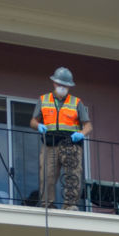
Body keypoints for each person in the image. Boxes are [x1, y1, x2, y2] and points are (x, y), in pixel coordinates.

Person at [29, 67, 91, 209]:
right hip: (50, 143)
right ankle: (47, 204)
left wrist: (80, 134)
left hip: (70, 143)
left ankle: (70, 205)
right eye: (60, 84)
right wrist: (38, 126)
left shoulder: (76, 102)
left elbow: (88, 125)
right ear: (54, 84)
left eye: (65, 85)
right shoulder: (44, 100)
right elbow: (33, 121)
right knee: (47, 174)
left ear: (69, 86)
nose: (62, 87)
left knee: (73, 174)